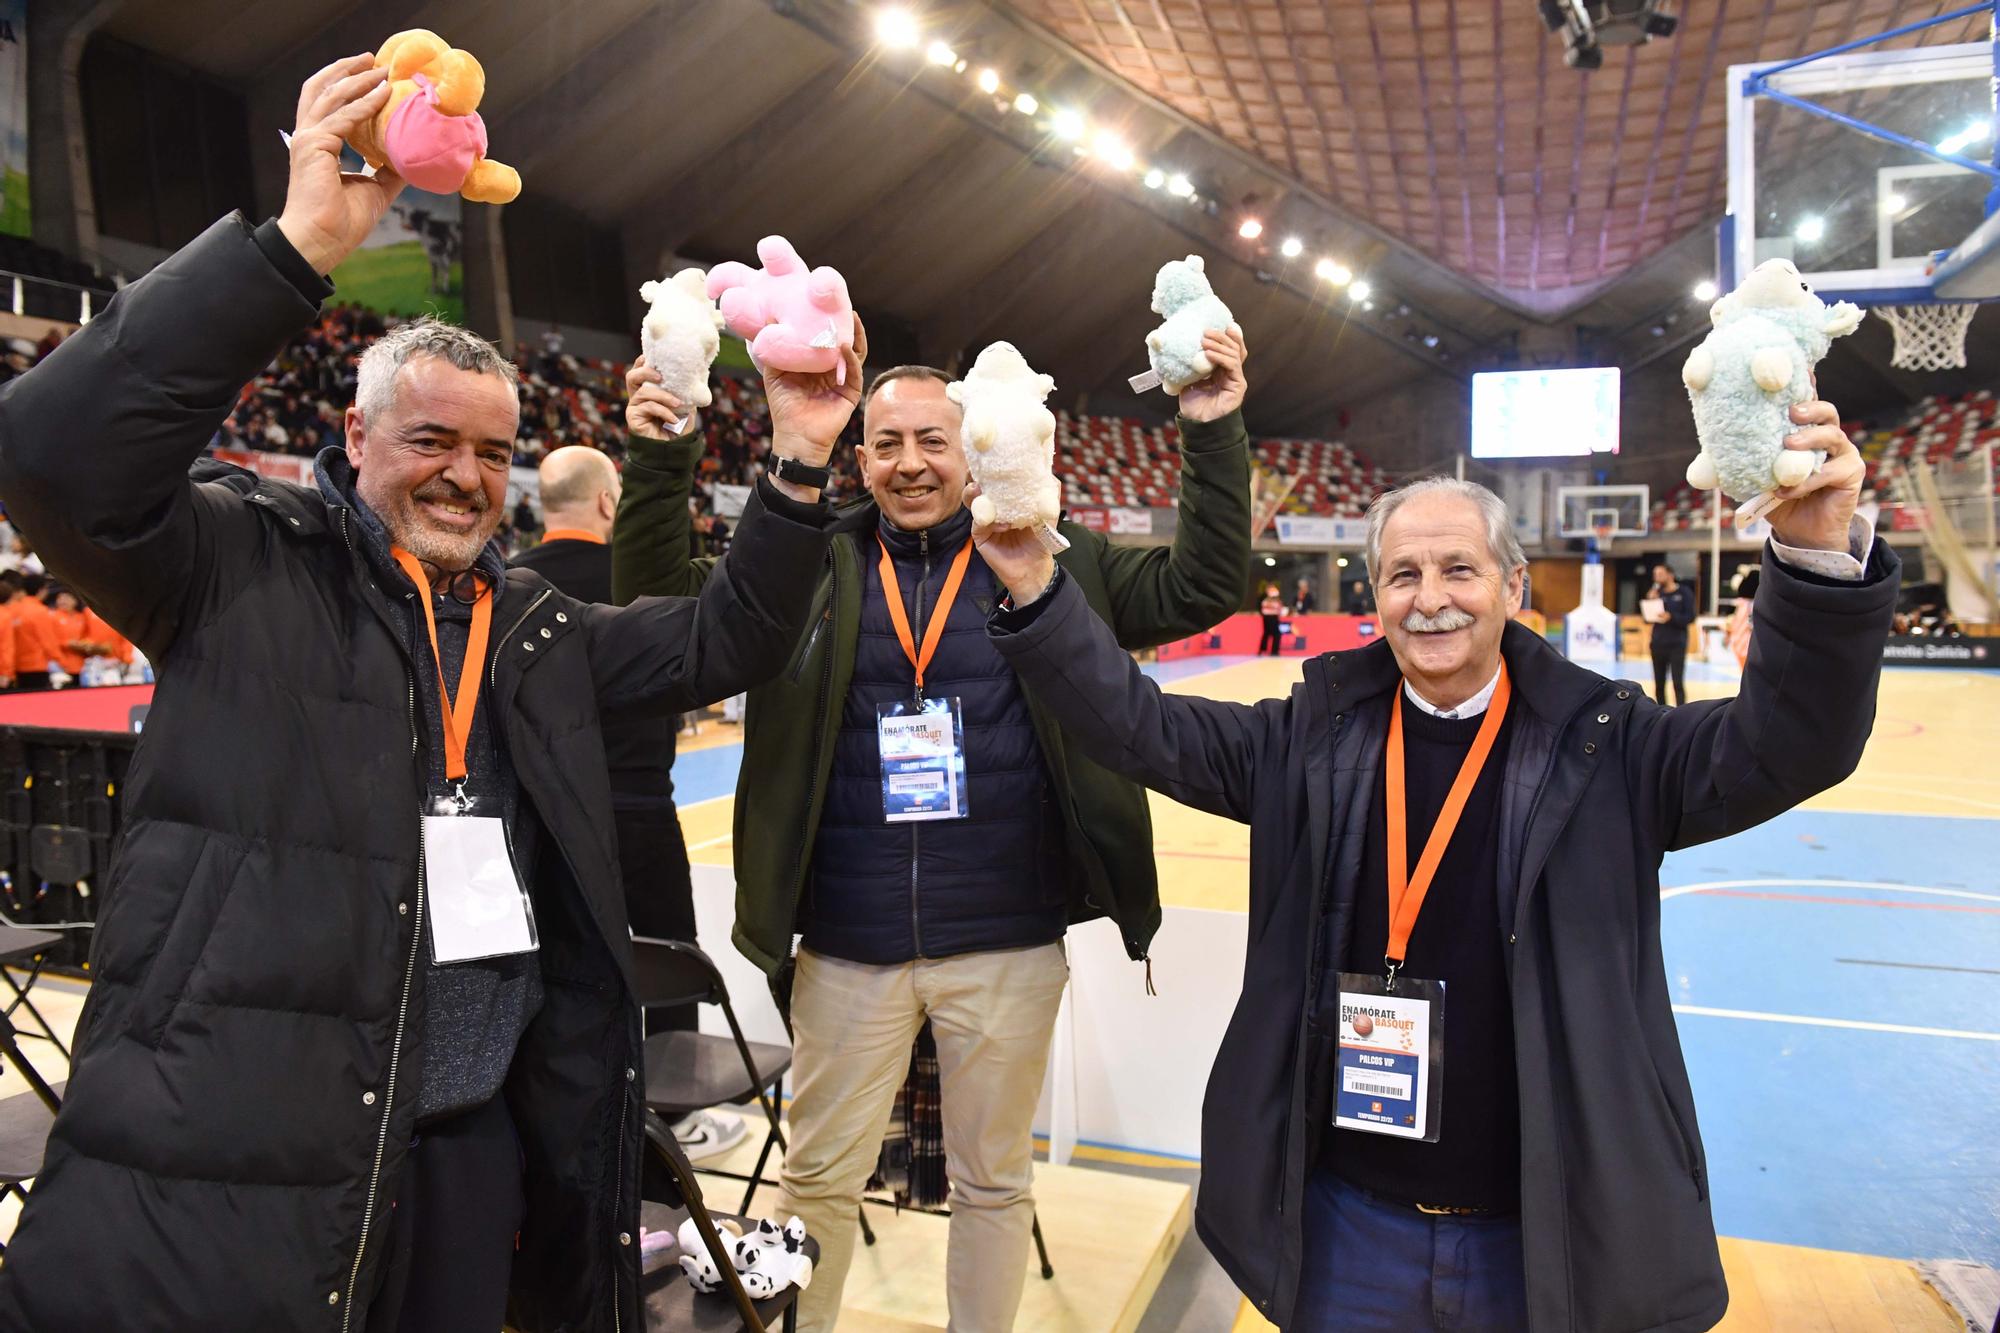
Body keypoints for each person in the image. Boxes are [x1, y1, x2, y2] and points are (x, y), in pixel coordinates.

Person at [0, 56, 844, 1333]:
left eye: (493, 452)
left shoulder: (536, 631)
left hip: (465, 1147)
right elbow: (50, 458)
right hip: (241, 1153)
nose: (464, 476)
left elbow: (738, 634)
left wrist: (799, 460)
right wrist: (293, 249)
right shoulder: (238, 565)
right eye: (430, 440)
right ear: (354, 438)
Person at [972, 398, 1896, 1330]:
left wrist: (1815, 560)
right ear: (1376, 598)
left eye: (1459, 568)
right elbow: (1139, 726)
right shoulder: (1307, 741)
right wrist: (1038, 586)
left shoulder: (1611, 747)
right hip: (1347, 1227)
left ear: (1514, 585)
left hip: (1541, 1238)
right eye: (1402, 574)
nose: (1430, 597)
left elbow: (1790, 744)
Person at [612, 328, 1253, 1331]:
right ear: (860, 456)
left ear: (972, 448)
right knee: (815, 1179)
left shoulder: (1052, 556)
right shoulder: (803, 561)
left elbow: (1203, 585)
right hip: (847, 944)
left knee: (992, 1183)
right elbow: (658, 601)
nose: (909, 462)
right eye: (887, 443)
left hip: (1005, 941)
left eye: (932, 440)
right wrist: (660, 457)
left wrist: (1210, 430)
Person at [508, 445, 744, 1161]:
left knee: (552, 963)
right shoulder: (638, 579)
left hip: (542, 815)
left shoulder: (508, 586)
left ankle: (566, 1117)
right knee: (670, 956)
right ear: (610, 502)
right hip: (640, 810)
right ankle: (678, 1121)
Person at [1645, 561, 1697, 705]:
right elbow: (1647, 619)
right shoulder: (1656, 593)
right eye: (1655, 574)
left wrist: (1671, 617)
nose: (1656, 577)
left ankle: (1681, 713)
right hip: (1657, 643)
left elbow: (1690, 617)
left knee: (1677, 683)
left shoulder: (1684, 592)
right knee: (1659, 684)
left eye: (1660, 574)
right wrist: (1650, 602)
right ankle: (1661, 712)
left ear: (1670, 575)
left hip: (1676, 644)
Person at [6, 572, 62, 691]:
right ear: (41, 590)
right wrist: (60, 661)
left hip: (14, 666)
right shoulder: (40, 611)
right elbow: (48, 641)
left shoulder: (11, 609)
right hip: (36, 666)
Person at [1727, 568, 1759, 670]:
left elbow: (1731, 622)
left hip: (1739, 641)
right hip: (1749, 643)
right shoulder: (1753, 605)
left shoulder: (1739, 603)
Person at [1259, 581, 1286, 655]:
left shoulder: (1266, 600)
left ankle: (1263, 650)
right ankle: (1273, 651)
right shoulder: (1270, 600)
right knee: (1275, 634)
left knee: (1267, 633)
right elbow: (1278, 608)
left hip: (1268, 617)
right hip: (1271, 617)